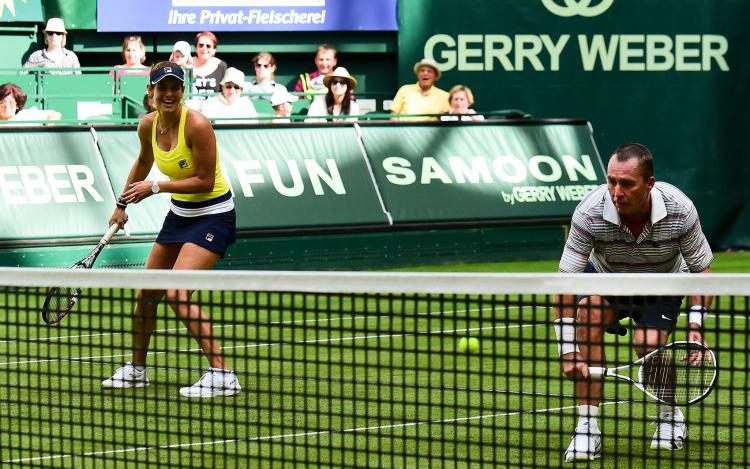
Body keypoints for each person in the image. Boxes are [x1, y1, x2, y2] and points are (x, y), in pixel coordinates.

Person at [554, 143, 713, 461]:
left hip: (662, 283)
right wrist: (567, 350)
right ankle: (587, 428)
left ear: (649, 183)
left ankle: (670, 417)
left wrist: (696, 325)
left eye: (626, 183)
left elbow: (702, 270)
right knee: (586, 316)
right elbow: (565, 282)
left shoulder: (679, 209)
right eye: (612, 181)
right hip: (608, 279)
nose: (616, 191)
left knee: (648, 344)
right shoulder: (590, 212)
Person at [101, 62, 241, 398]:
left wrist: (155, 188)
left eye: (175, 87)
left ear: (183, 90)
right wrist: (121, 204)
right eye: (161, 87)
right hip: (180, 215)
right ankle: (136, 371)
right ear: (150, 92)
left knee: (177, 294)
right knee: (147, 295)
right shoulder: (147, 125)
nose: (168, 94)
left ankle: (223, 375)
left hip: (214, 215)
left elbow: (205, 180)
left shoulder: (197, 124)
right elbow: (143, 162)